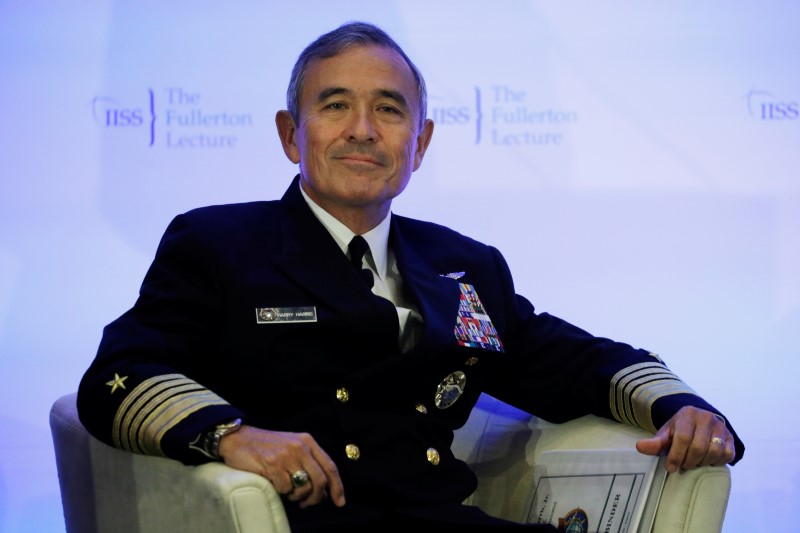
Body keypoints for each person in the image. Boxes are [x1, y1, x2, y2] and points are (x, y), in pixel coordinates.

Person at [77, 21, 744, 531]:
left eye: (390, 110)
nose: (364, 129)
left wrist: (680, 406)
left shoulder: (463, 265)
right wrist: (231, 434)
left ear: (419, 143)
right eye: (335, 105)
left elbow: (565, 359)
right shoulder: (219, 244)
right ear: (291, 134)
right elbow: (122, 372)